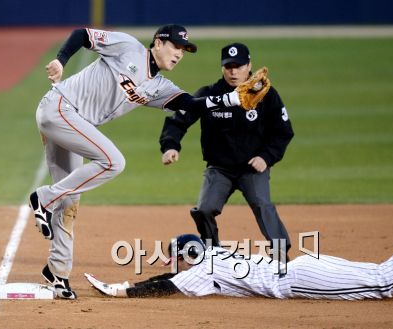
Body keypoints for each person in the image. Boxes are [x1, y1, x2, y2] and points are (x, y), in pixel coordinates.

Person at [28, 25, 269, 299]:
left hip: (73, 124)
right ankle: (44, 198)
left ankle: (58, 274)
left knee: (70, 201)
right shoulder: (128, 47)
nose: (179, 53)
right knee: (113, 161)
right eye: (176, 46)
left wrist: (232, 99)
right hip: (60, 107)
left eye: (184, 50)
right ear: (158, 42)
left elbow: (191, 103)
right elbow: (82, 34)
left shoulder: (160, 87)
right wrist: (61, 59)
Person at [85, 215, 393, 300]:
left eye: (177, 257)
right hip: (307, 264)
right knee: (380, 271)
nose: (175, 263)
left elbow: (164, 287)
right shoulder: (215, 253)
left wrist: (122, 290)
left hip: (302, 281)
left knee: (380, 285)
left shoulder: (203, 271)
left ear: (189, 255)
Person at [159, 43, 294, 257]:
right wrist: (170, 146)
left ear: (249, 65)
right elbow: (178, 120)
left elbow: (283, 132)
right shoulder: (209, 95)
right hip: (219, 169)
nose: (233, 71)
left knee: (262, 205)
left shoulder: (265, 95)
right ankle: (212, 252)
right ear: (222, 68)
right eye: (228, 66)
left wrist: (266, 157)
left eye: (238, 66)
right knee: (204, 209)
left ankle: (280, 255)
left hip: (252, 168)